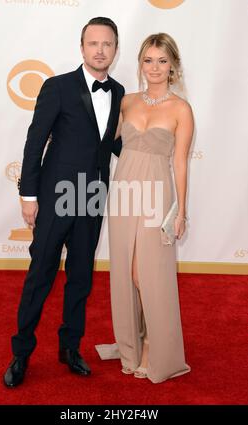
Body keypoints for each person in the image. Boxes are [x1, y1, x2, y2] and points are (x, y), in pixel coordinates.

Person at [3, 17, 125, 387]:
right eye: (93, 43)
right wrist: (28, 195)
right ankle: (21, 353)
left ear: (115, 50)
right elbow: (34, 141)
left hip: (92, 198)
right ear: (82, 47)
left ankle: (70, 347)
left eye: (107, 44)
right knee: (40, 275)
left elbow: (116, 144)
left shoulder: (120, 93)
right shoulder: (57, 87)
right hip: (55, 197)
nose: (100, 50)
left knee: (81, 278)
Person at [105, 33, 193, 383]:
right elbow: (101, 141)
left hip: (157, 195)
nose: (154, 68)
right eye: (148, 60)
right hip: (124, 193)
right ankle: (133, 342)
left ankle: (155, 348)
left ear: (172, 65)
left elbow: (181, 163)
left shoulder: (181, 109)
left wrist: (182, 212)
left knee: (149, 275)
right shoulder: (126, 102)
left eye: (161, 61)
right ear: (140, 63)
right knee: (127, 272)